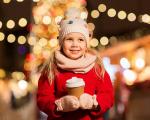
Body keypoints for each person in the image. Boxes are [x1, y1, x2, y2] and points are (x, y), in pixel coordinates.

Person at [37, 8, 114, 120]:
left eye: (80, 40)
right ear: (61, 42)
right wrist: (60, 105)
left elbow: (108, 95)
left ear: (86, 43)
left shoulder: (96, 67)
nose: (75, 44)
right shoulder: (52, 68)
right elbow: (42, 98)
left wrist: (93, 103)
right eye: (69, 39)